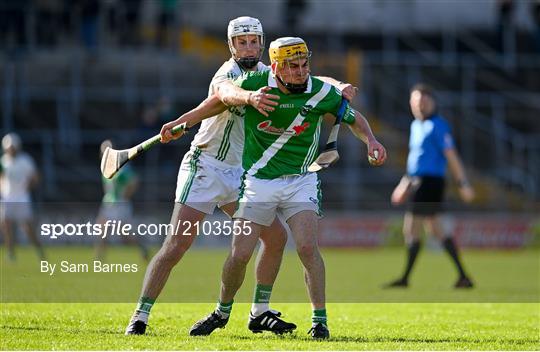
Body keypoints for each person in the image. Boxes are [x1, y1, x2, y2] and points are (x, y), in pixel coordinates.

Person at [126, 17, 356, 336]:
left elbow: (311, 79)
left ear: (262, 44)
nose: (248, 47)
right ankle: (140, 315)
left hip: (240, 174)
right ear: (231, 45)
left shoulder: (269, 72)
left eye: (253, 41)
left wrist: (339, 85)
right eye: (241, 42)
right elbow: (223, 92)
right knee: (178, 244)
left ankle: (259, 312)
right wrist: (192, 118)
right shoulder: (228, 73)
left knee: (275, 238)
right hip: (205, 167)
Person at [187, 37, 387, 340]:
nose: (300, 71)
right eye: (292, 66)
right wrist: (187, 119)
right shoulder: (256, 80)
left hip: (301, 180)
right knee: (240, 254)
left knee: (307, 247)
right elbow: (223, 94)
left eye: (304, 64)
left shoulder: (319, 92)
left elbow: (354, 118)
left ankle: (319, 320)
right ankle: (221, 311)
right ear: (277, 66)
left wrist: (371, 140)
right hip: (256, 181)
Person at [387, 83, 475, 289]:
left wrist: (463, 183)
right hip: (418, 182)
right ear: (411, 104)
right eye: (416, 101)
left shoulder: (438, 125)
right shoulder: (415, 126)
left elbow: (451, 156)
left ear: (433, 103)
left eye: (424, 101)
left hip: (430, 183)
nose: (420, 105)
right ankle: (463, 276)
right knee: (436, 230)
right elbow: (415, 161)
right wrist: (404, 184)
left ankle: (405, 278)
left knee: (411, 229)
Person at [95, 140, 149, 261]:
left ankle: (142, 248)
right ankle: (99, 259)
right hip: (108, 203)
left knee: (125, 236)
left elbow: (134, 181)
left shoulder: (121, 166)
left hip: (119, 205)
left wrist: (125, 195)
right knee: (101, 230)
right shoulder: (105, 166)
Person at [0, 133, 45, 261]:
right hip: (7, 198)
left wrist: (28, 186)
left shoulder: (25, 160)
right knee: (6, 226)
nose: (11, 150)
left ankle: (39, 251)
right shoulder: (3, 161)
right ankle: (10, 253)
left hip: (22, 198)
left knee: (28, 227)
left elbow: (35, 177)